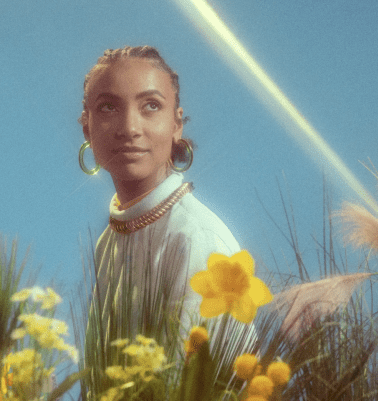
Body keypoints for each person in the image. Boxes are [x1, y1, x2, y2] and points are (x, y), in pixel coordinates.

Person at [78, 46, 250, 354]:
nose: (130, 129)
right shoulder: (109, 240)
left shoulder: (198, 239)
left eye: (151, 106)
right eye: (108, 108)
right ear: (86, 126)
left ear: (176, 125)